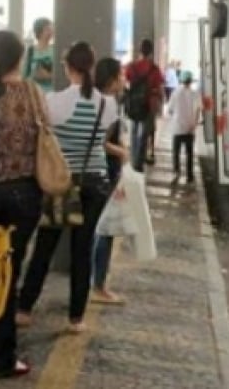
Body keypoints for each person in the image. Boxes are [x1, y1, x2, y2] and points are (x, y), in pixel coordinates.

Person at [17, 41, 118, 334]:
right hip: (97, 181)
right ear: (91, 66)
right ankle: (77, 318)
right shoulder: (107, 104)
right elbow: (101, 141)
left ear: (67, 67)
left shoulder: (54, 101)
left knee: (45, 245)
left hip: (63, 182)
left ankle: (24, 308)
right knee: (82, 249)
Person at [0, 31, 44, 378]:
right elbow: (46, 132)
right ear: (19, 59)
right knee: (7, 277)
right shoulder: (31, 92)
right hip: (22, 195)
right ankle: (3, 357)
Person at [90, 57, 129, 306]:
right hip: (106, 171)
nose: (124, 79)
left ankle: (97, 283)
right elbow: (101, 142)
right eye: (121, 75)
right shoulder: (108, 104)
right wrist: (121, 152)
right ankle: (99, 286)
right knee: (106, 228)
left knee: (99, 228)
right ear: (112, 79)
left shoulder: (97, 100)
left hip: (102, 171)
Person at [124, 39, 164, 172]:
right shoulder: (154, 69)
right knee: (144, 134)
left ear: (139, 50)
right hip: (148, 105)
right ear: (151, 52)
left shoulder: (131, 66)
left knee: (134, 131)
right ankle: (138, 163)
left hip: (134, 103)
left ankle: (133, 159)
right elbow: (158, 87)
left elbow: (126, 82)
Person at [167, 71, 201, 185]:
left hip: (177, 128)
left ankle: (176, 172)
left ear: (181, 80)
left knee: (176, 152)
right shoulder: (195, 93)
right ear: (191, 81)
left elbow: (170, 110)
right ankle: (189, 176)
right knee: (189, 153)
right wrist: (194, 124)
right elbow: (198, 110)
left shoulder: (175, 93)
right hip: (189, 128)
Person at [23, 17, 54, 93]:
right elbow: (25, 75)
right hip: (34, 93)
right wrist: (34, 76)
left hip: (51, 93)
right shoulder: (31, 50)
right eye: (47, 29)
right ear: (39, 31)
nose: (51, 31)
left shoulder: (55, 50)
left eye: (51, 28)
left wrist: (48, 76)